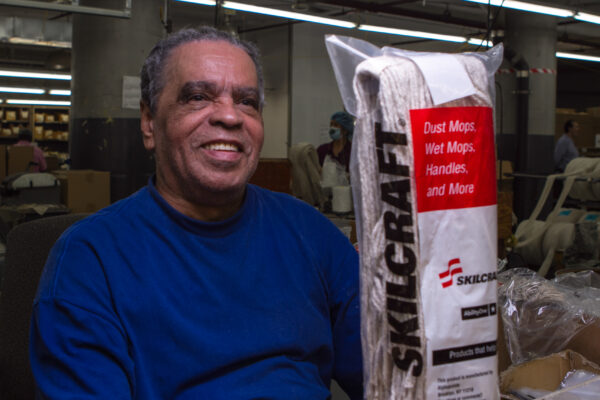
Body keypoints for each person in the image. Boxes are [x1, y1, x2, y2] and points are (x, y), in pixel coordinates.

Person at [29, 26, 362, 399]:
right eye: (199, 97)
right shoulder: (89, 261)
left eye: (247, 101)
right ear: (149, 122)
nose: (230, 117)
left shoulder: (311, 233)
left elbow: (389, 371)